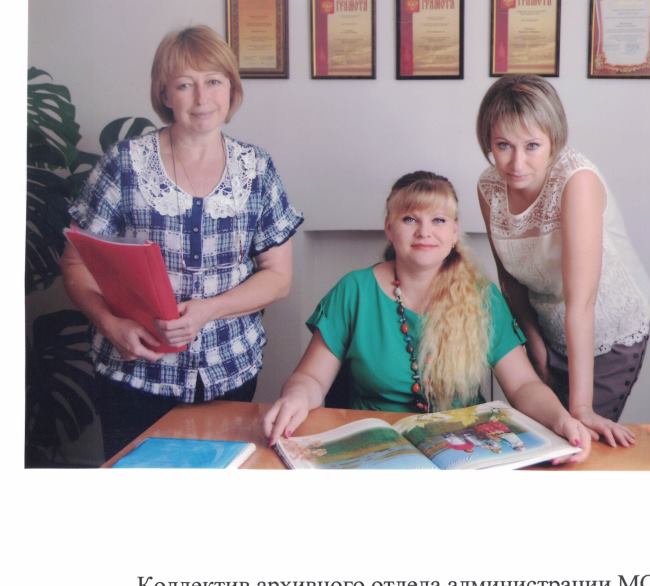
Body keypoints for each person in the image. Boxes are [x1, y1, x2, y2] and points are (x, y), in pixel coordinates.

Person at [60, 25, 303, 459]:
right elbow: (75, 263)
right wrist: (110, 325)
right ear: (165, 94)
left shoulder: (257, 168)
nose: (202, 98)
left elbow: (278, 277)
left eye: (214, 82)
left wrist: (209, 309)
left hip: (229, 370)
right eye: (185, 85)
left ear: (232, 88)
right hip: (134, 375)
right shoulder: (124, 164)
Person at [263, 171, 590, 464]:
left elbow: (523, 385)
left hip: (465, 453)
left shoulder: (482, 296)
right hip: (375, 452)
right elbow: (311, 378)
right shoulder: (354, 290)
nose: (424, 232)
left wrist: (561, 419)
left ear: (454, 232)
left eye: (439, 220)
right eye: (409, 219)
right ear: (389, 229)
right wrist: (296, 397)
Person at [476, 75, 650, 447]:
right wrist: (532, 342)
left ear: (554, 139)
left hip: (605, 330)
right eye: (503, 145)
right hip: (546, 326)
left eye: (532, 145)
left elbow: (582, 303)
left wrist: (582, 408)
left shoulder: (576, 182)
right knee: (538, 440)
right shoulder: (489, 187)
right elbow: (510, 280)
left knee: (577, 440)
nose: (516, 162)